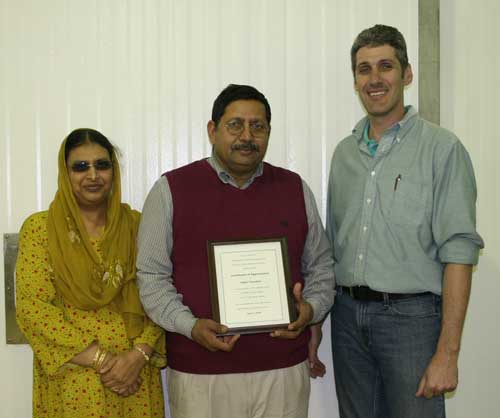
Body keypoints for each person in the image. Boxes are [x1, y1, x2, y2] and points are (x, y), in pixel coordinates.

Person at [312, 24, 484, 418]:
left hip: (412, 322)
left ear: (406, 74)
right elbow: (331, 247)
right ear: (354, 80)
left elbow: (460, 251)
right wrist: (316, 326)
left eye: (385, 66)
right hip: (347, 318)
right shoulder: (343, 155)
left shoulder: (443, 150)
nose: (374, 79)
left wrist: (447, 352)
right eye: (363, 69)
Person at [136, 84, 335, 418]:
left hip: (282, 370)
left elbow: (322, 267)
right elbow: (151, 277)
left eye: (258, 126)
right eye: (235, 125)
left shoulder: (294, 188)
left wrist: (310, 310)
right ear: (213, 130)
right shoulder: (170, 190)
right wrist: (189, 325)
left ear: (269, 132)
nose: (247, 136)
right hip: (200, 374)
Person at [16, 128, 166, 418]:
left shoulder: (138, 225)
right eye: (80, 167)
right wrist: (104, 361)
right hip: (72, 378)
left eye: (102, 164)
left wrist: (139, 355)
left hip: (134, 377)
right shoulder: (41, 230)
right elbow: (33, 309)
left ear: (114, 171)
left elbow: (162, 292)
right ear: (65, 172)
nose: (93, 175)